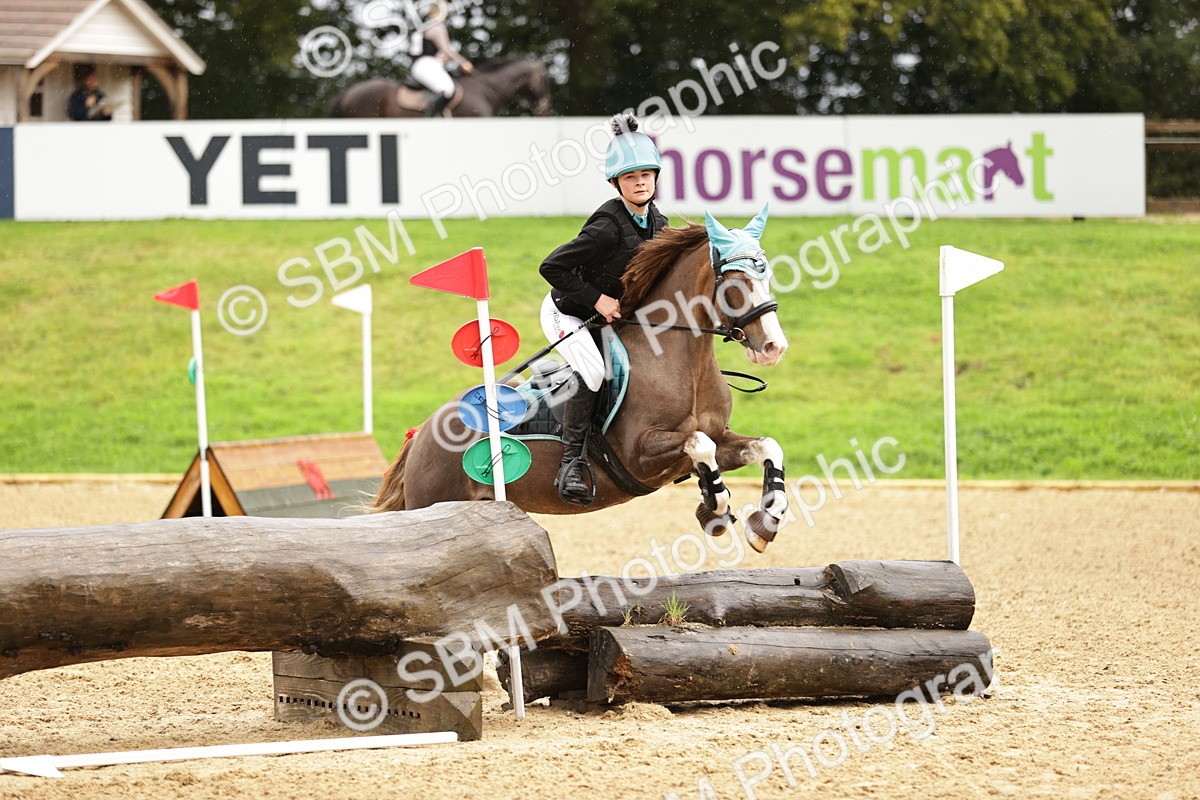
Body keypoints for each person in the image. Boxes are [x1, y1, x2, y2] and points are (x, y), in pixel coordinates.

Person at [538, 114, 668, 504]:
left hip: (607, 317)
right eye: (631, 177)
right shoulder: (606, 226)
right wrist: (596, 298)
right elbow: (551, 267)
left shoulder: (658, 224)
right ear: (616, 183)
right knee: (594, 371)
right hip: (569, 311)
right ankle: (571, 462)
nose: (640, 182)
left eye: (646, 174)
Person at [410, 2, 473, 117]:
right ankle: (431, 117)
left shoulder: (427, 26)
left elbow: (440, 51)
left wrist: (442, 57)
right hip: (427, 65)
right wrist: (463, 63)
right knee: (447, 89)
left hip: (426, 64)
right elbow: (447, 49)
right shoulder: (437, 27)